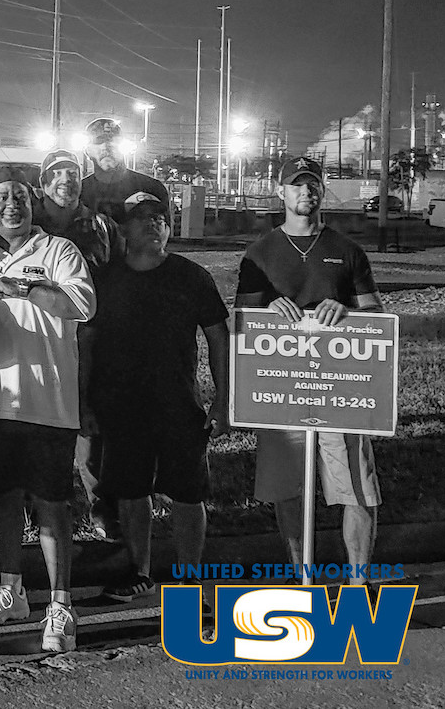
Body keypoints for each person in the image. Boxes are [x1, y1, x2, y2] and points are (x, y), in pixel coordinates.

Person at [0, 167, 95, 652]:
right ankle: (11, 588)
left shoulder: (59, 251)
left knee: (52, 505)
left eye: (19, 197)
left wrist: (29, 290)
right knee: (5, 499)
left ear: (33, 202)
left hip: (48, 400)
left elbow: (83, 307)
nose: (11, 206)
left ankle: (60, 602)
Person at [234, 156, 383, 582]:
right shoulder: (261, 253)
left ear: (322, 190)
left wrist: (349, 311)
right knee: (288, 491)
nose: (306, 192)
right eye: (296, 185)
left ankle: (359, 581)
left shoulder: (346, 250)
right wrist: (267, 307)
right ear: (280, 192)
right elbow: (244, 321)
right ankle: (302, 579)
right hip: (284, 391)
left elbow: (376, 314)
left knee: (357, 487)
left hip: (340, 390)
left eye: (313, 184)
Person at [80, 192, 230, 601]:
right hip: (122, 404)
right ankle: (139, 570)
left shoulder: (191, 276)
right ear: (124, 229)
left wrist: (222, 399)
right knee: (130, 491)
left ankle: (189, 576)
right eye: (142, 218)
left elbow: (218, 337)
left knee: (187, 492)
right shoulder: (107, 280)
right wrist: (84, 402)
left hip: (179, 403)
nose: (153, 224)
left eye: (160, 218)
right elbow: (88, 343)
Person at [32, 148, 116, 540]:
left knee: (88, 424)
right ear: (42, 184)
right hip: (37, 339)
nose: (66, 181)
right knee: (38, 424)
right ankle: (38, 508)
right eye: (57, 175)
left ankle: (100, 509)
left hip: (90, 339)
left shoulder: (100, 226)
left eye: (72, 174)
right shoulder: (26, 224)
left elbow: (116, 276)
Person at [79, 117, 170, 224]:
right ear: (87, 151)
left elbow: (163, 234)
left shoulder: (151, 188)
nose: (106, 146)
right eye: (98, 141)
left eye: (112, 141)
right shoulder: (79, 192)